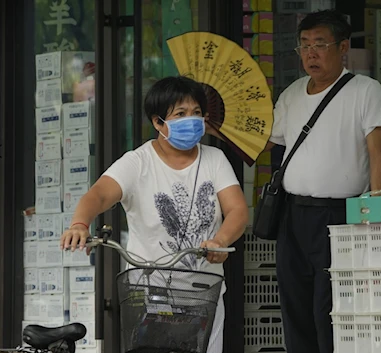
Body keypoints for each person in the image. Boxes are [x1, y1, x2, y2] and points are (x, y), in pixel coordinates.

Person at [207, 9, 381, 353]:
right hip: (292, 215)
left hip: (341, 215)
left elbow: (379, 155)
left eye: (320, 44)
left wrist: (376, 214)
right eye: (304, 45)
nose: (311, 53)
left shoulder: (366, 91)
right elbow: (262, 143)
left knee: (330, 305)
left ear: (342, 48)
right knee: (294, 302)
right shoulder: (292, 94)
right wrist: (216, 126)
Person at [59, 76, 248, 353]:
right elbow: (98, 194)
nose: (191, 120)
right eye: (180, 114)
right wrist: (79, 224)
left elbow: (237, 210)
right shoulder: (137, 162)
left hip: (204, 291)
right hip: (150, 290)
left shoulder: (215, 159)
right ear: (158, 123)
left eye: (197, 113)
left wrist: (221, 240)